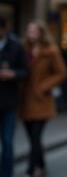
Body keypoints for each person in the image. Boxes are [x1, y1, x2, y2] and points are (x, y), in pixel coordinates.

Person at [19, 22, 67, 177]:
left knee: (35, 137)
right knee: (32, 138)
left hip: (41, 100)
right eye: (29, 30)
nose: (30, 33)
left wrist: (44, 86)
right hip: (25, 100)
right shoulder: (23, 50)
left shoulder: (50, 51)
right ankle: (41, 165)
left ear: (41, 32)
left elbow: (61, 73)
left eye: (34, 30)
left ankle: (31, 170)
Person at [0, 17, 28, 177]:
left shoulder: (16, 47)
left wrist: (13, 74)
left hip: (9, 102)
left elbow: (25, 72)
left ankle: (6, 173)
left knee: (7, 140)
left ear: (4, 29)